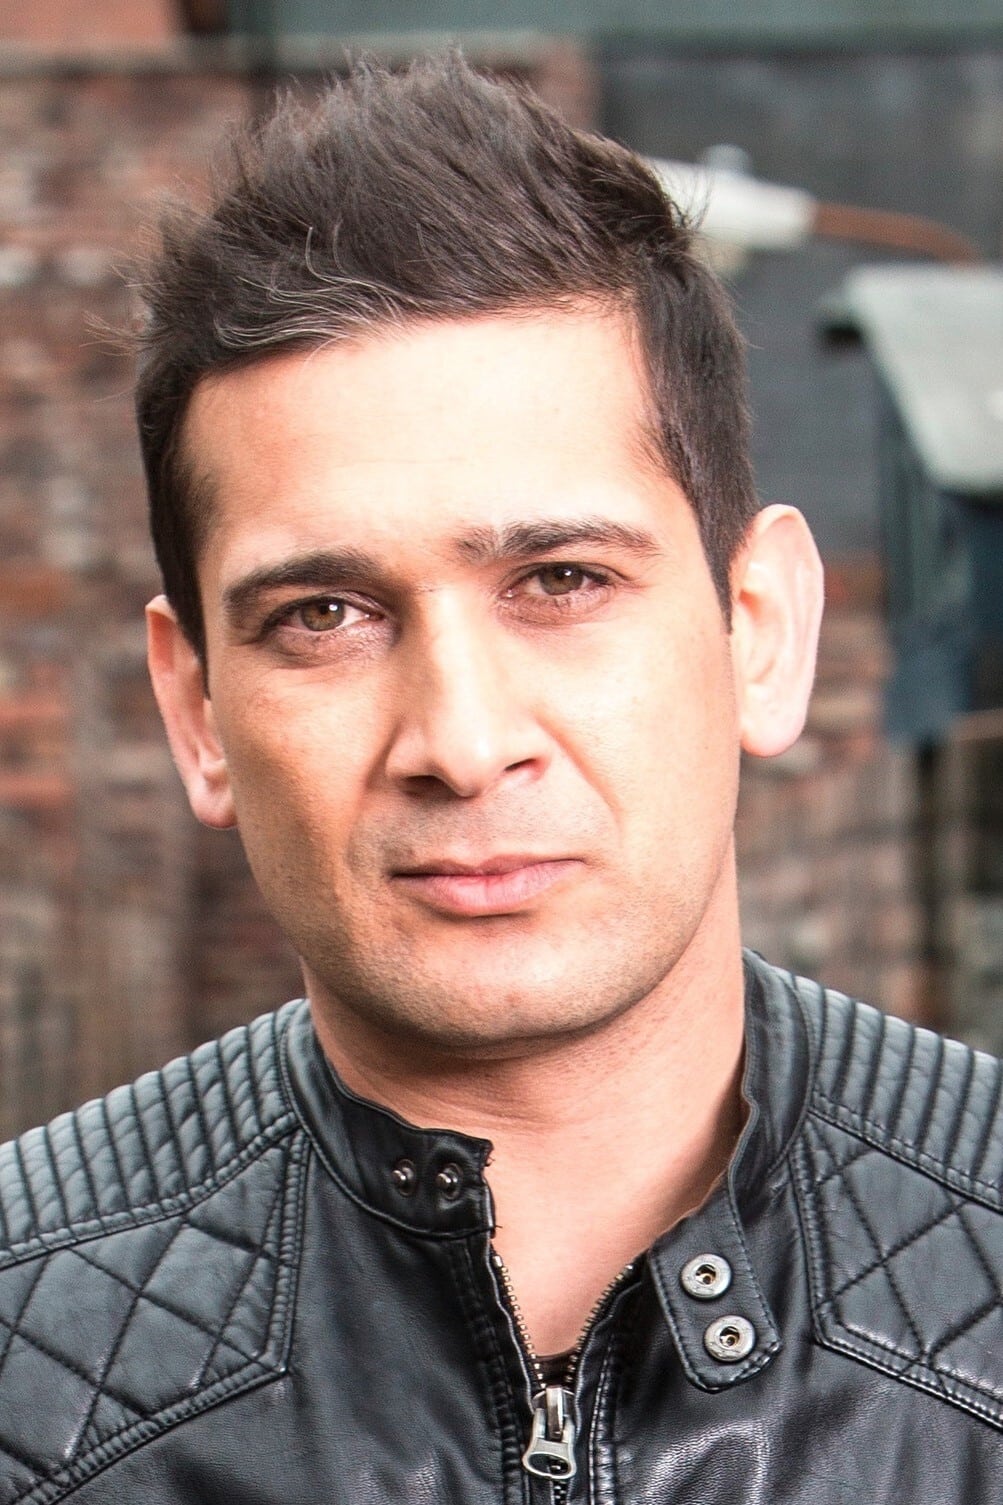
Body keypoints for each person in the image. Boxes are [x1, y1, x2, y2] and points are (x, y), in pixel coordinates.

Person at [1, 53, 1001, 1505]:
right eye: (325, 616)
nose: (463, 742)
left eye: (563, 580)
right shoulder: (28, 1369)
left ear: (761, 631)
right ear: (196, 706)